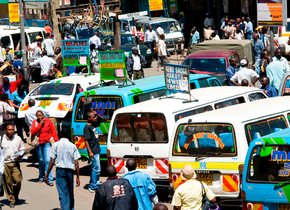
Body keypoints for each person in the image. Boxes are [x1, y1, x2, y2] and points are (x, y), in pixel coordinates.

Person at [44, 127, 80, 210]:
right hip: (70, 171)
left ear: (60, 135)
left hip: (60, 171)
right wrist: (78, 177)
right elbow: (76, 163)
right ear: (68, 135)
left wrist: (47, 174)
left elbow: (52, 161)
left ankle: (65, 208)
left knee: (63, 192)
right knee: (70, 192)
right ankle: (71, 208)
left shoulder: (55, 145)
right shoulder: (73, 146)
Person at [31, 110, 59, 186]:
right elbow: (33, 132)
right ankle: (41, 177)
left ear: (43, 115)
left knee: (47, 160)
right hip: (39, 144)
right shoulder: (35, 122)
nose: (39, 117)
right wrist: (40, 125)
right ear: (36, 116)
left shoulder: (48, 121)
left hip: (47, 143)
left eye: (40, 115)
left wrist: (56, 142)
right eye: (38, 116)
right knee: (41, 160)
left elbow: (53, 131)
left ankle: (49, 179)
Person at [1, 124, 25, 208]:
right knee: (7, 182)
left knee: (18, 180)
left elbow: (22, 149)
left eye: (12, 130)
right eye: (9, 130)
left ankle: (16, 195)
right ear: (5, 130)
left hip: (15, 163)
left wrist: (20, 155)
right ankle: (11, 200)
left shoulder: (18, 138)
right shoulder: (1, 139)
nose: (11, 131)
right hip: (5, 163)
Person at [84, 111, 104, 192]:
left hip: (96, 150)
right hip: (93, 151)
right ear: (89, 118)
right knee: (96, 169)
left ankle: (94, 183)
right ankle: (93, 186)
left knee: (95, 168)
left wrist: (96, 114)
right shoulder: (87, 128)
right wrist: (90, 152)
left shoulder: (93, 125)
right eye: (93, 117)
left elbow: (101, 119)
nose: (95, 118)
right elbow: (86, 140)